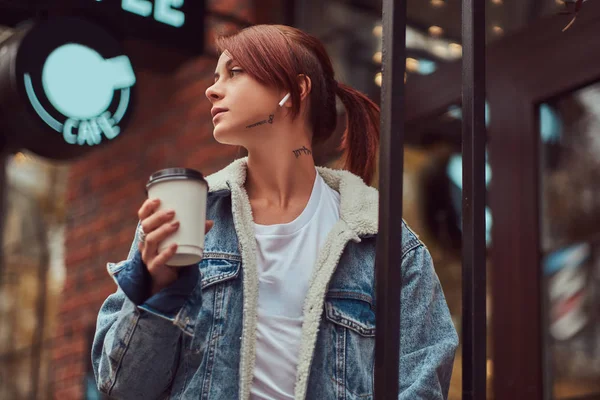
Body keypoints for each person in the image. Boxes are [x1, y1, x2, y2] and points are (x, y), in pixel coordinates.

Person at [92, 24, 458, 400]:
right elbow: (121, 386)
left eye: (234, 72)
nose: (211, 89)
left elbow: (423, 381)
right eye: (215, 75)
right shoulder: (180, 218)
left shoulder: (384, 243)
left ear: (295, 91)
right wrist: (156, 291)